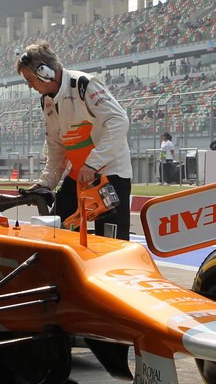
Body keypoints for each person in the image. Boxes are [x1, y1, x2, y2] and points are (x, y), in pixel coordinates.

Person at [15, 42, 132, 240]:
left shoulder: (84, 84)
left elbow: (119, 121)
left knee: (112, 242)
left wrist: (92, 163)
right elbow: (56, 148)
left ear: (45, 72)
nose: (29, 85)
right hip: (80, 174)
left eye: (30, 79)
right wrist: (45, 184)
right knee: (56, 229)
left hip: (110, 174)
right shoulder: (47, 100)